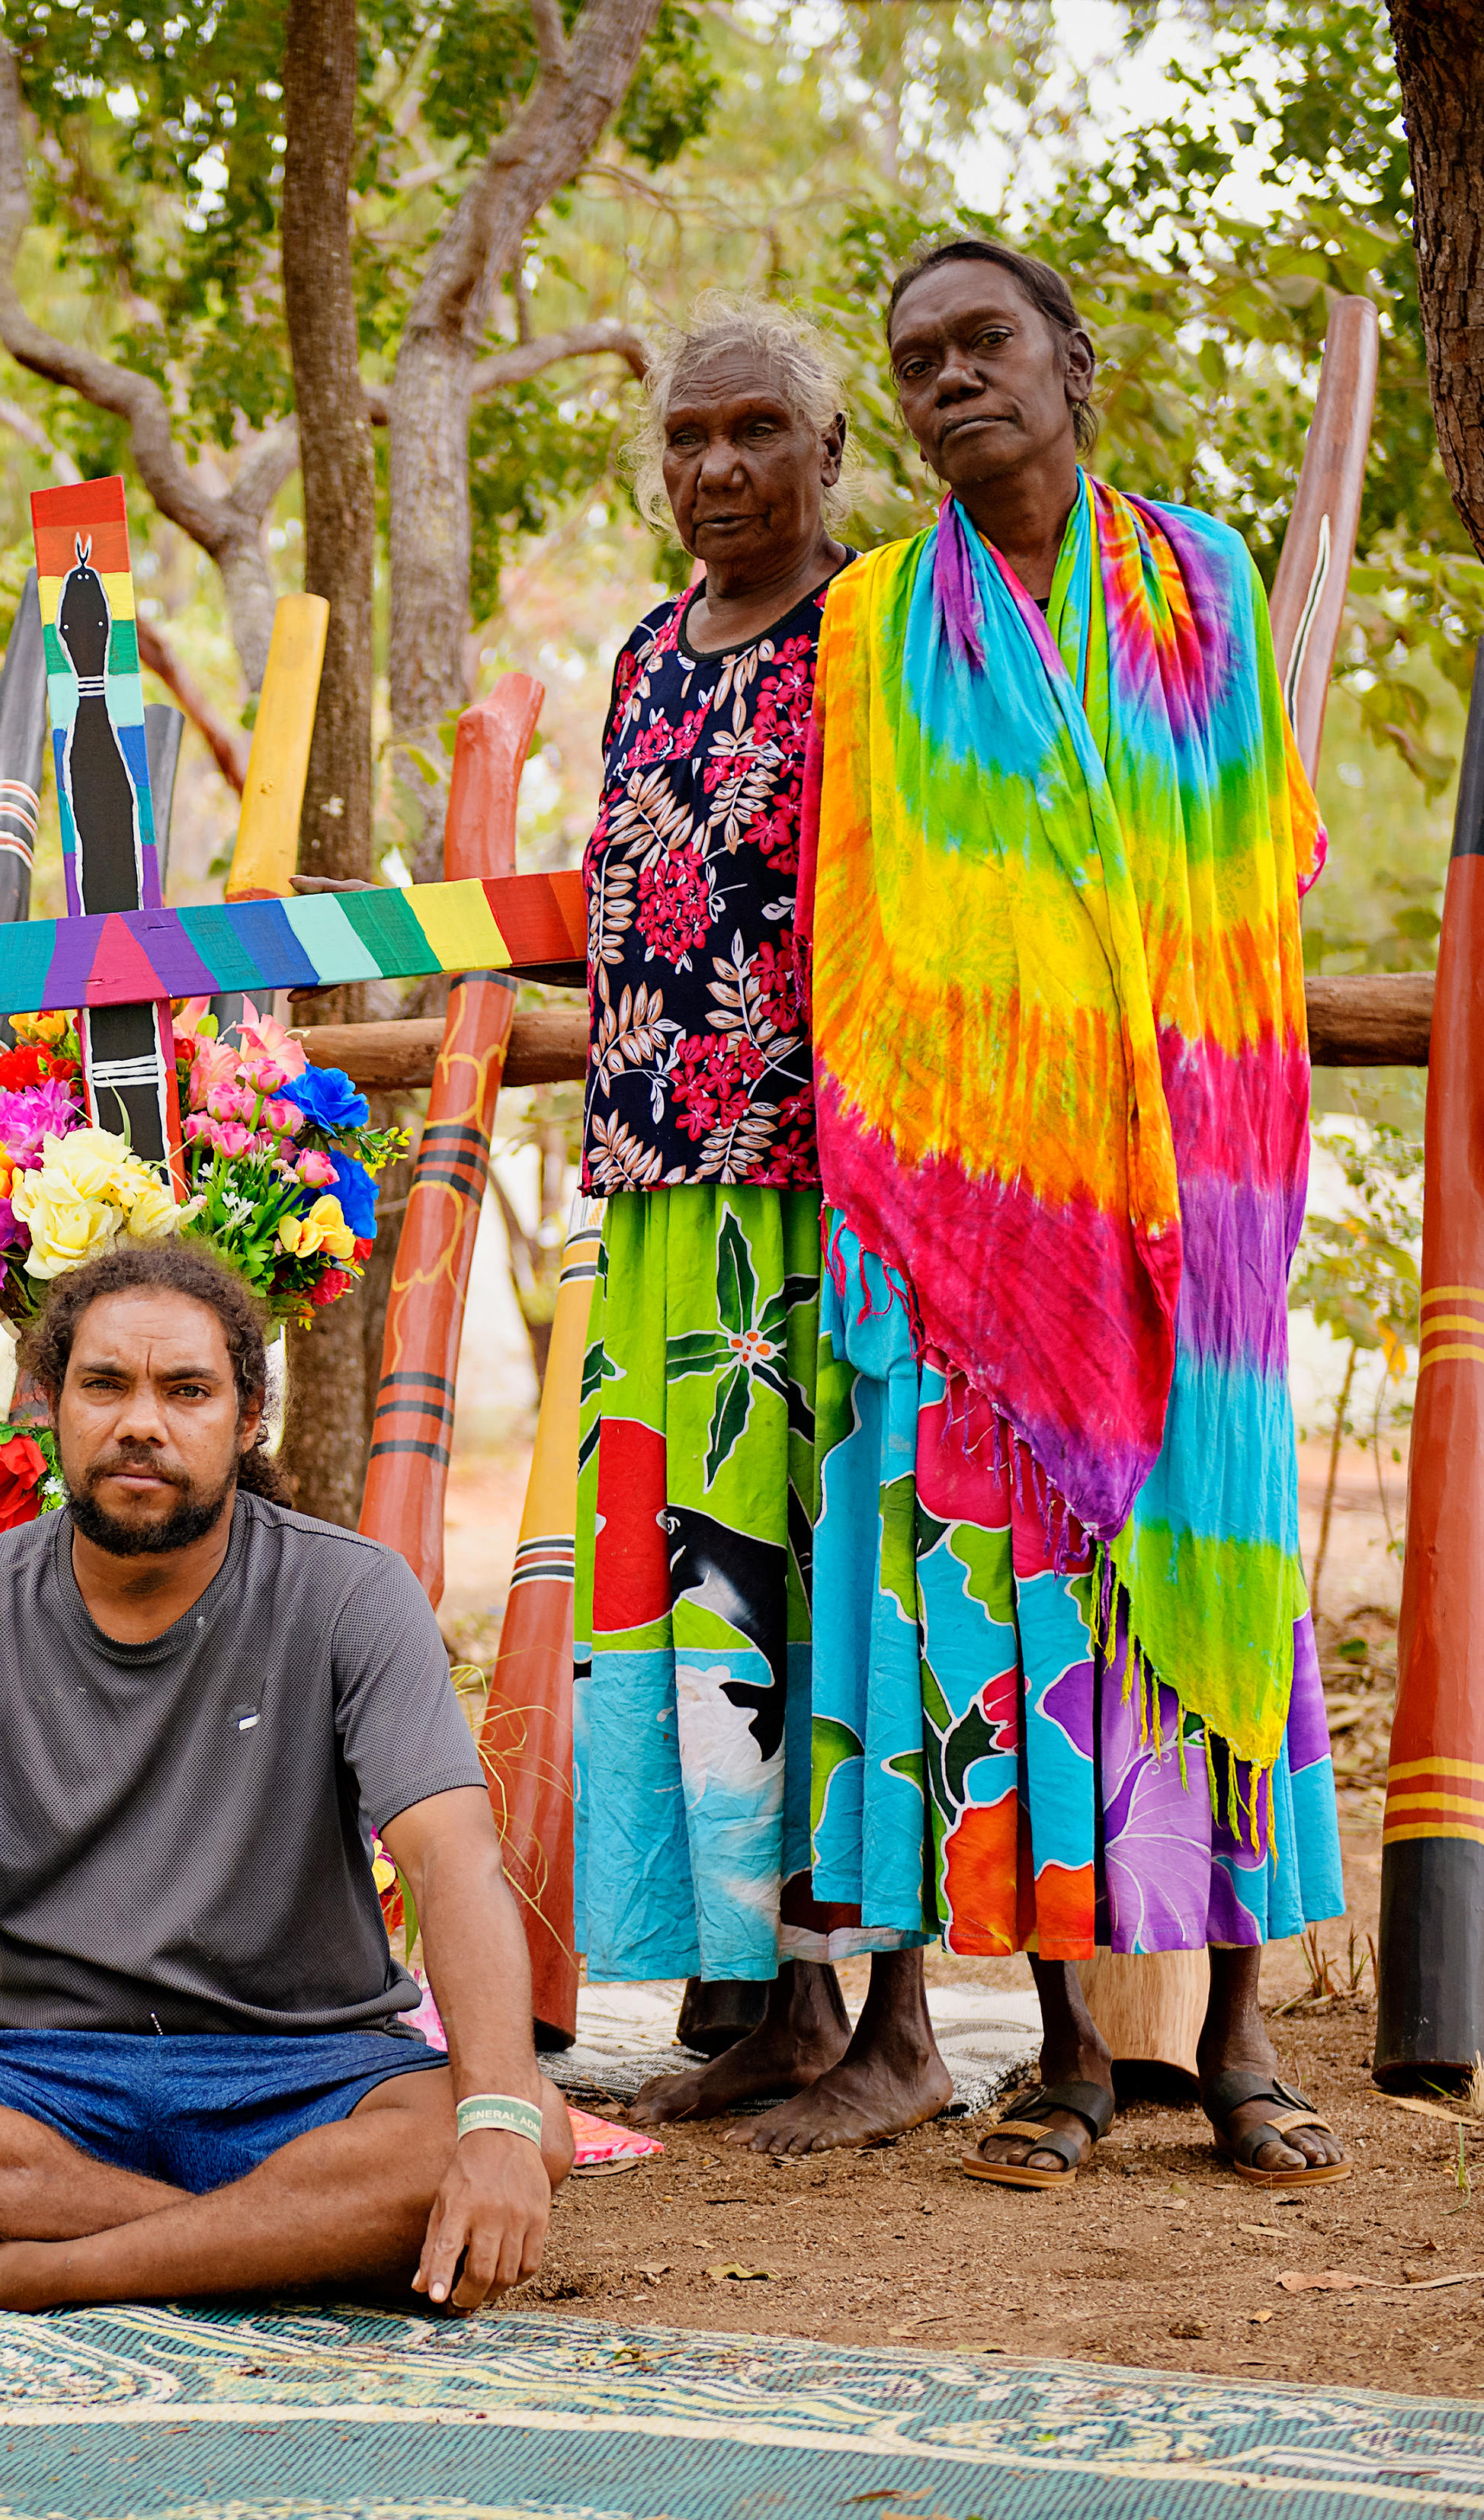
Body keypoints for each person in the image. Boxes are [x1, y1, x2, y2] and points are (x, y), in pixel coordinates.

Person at [811, 237, 1348, 2190]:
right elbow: (859, 912)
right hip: (978, 1218)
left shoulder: (1200, 579)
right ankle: (1058, 2053)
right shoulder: (875, 622)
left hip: (1191, 1193)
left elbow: (1250, 861)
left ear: (1069, 358)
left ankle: (1239, 2030)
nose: (954, 378)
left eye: (987, 341)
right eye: (919, 360)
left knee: (1207, 1588)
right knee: (1017, 1619)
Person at [0, 1243, 574, 2312]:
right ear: (48, 1406)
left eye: (186, 1390)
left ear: (249, 1414)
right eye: (105, 1384)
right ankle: (280, 2241)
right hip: (37, 2078)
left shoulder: (349, 1594)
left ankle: (19, 2272)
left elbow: (452, 1856)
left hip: (304, 2071)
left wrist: (495, 2118)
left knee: (525, 2123)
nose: (142, 1421)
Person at [572, 302, 951, 2155]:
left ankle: (901, 2017)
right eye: (685, 438)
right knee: (710, 1592)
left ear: (826, 455)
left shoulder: (873, 637)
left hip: (826, 1195)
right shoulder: (651, 647)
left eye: (754, 432)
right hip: (659, 1204)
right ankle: (783, 2003)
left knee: (848, 1576)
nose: (715, 468)